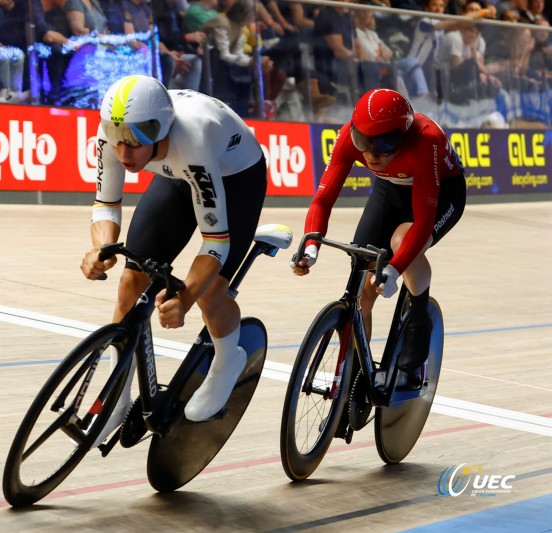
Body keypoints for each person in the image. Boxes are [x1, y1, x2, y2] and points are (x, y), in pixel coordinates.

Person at [80, 74, 268, 444]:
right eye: (118, 140)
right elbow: (106, 203)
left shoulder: (192, 139)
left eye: (135, 143)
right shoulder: (116, 134)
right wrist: (101, 249)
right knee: (131, 282)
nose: (124, 153)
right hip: (176, 172)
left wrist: (185, 298)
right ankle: (117, 396)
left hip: (235, 177)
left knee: (211, 293)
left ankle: (229, 358)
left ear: (160, 130)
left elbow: (215, 242)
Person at [291, 88, 466, 387]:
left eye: (384, 143)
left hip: (441, 193)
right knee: (362, 280)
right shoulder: (348, 135)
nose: (371, 153)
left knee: (402, 242)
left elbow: (423, 221)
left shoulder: (426, 138)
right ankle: (357, 373)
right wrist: (311, 244)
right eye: (364, 142)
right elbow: (322, 200)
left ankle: (419, 319)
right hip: (390, 191)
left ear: (404, 134)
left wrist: (394, 270)